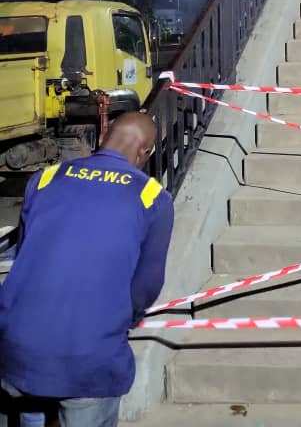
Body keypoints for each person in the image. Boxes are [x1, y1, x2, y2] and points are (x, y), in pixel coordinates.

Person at [0, 112, 174, 427]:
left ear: (106, 135)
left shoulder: (46, 178)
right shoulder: (151, 198)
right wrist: (123, 319)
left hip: (16, 347)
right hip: (87, 360)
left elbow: (27, 253)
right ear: (144, 152)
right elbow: (146, 287)